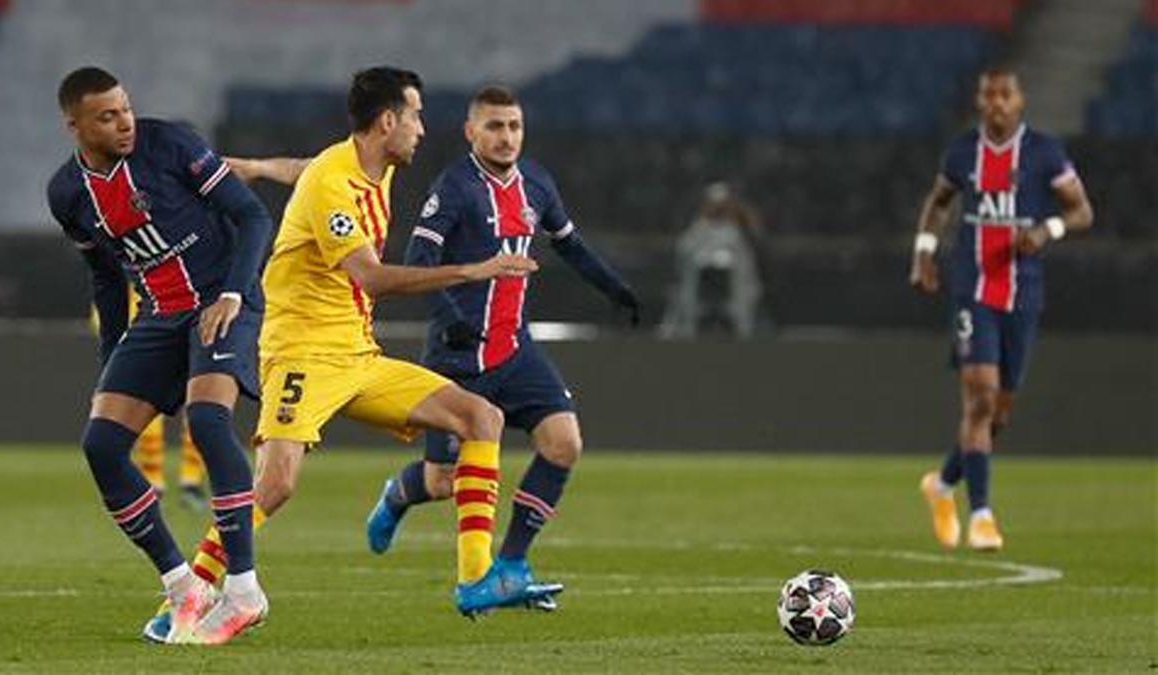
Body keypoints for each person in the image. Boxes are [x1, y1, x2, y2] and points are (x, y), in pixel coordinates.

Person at [143, 67, 548, 641]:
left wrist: (257, 169)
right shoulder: (337, 183)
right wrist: (474, 270)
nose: (422, 130)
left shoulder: (362, 165)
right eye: (415, 116)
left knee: (480, 417)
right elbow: (372, 276)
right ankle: (185, 601)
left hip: (356, 352)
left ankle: (476, 577)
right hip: (301, 352)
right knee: (275, 486)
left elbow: (302, 169)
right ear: (388, 121)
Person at [361, 85, 640, 608]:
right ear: (471, 131)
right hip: (456, 357)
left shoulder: (536, 183)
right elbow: (418, 264)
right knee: (444, 481)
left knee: (564, 443)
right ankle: (398, 495)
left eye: (513, 126)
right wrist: (451, 319)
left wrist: (614, 287)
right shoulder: (454, 188)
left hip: (514, 350)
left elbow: (570, 245)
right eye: (494, 126)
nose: (506, 136)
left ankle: (511, 563)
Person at [46, 66, 273, 644]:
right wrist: (112, 355)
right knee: (101, 445)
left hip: (223, 299)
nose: (124, 122)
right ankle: (183, 586)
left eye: (124, 108)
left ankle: (244, 590)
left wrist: (232, 293)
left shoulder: (170, 143)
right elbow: (103, 275)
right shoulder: (67, 193)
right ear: (74, 126)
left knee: (207, 420)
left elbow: (251, 216)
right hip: (159, 316)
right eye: (107, 116)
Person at [911, 67, 1093, 551]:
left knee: (998, 414)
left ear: (1020, 100)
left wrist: (1046, 231)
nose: (995, 103)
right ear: (979, 100)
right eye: (988, 94)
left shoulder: (1044, 153)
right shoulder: (962, 151)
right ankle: (983, 517)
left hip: (1023, 293)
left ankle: (943, 484)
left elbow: (1082, 211)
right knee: (981, 397)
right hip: (973, 290)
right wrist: (924, 251)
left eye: (1004, 94)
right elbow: (939, 202)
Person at [93, 287, 210, 511]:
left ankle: (190, 480)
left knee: (201, 401)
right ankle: (156, 480)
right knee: (143, 401)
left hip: (189, 308)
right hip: (146, 313)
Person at [660, 182, 765, 338]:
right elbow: (683, 251)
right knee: (682, 294)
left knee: (747, 294)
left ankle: (742, 334)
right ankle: (685, 332)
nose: (718, 209)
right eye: (715, 205)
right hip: (699, 282)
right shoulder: (698, 227)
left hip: (734, 286)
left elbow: (748, 258)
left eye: (723, 205)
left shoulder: (735, 229)